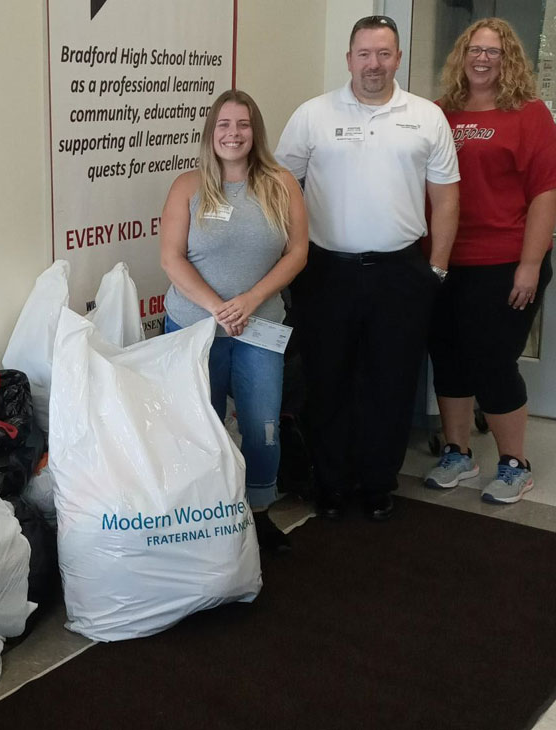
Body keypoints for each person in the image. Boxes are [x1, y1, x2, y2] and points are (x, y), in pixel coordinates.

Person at [274, 15, 460, 521]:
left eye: (383, 53)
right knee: (326, 380)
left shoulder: (426, 117)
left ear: (398, 58)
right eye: (364, 54)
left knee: (391, 382)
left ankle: (379, 484)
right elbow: (282, 191)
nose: (373, 64)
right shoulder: (312, 115)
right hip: (325, 271)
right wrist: (291, 259)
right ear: (349, 58)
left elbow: (445, 199)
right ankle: (331, 484)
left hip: (401, 273)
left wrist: (436, 270)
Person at [423, 18, 556, 503]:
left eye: (494, 51)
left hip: (507, 259)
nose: (483, 58)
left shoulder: (528, 114)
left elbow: (550, 189)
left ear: (509, 60)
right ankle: (458, 453)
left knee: (492, 360)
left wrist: (529, 265)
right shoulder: (439, 113)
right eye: (475, 49)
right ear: (461, 56)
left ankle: (515, 463)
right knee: (448, 357)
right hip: (445, 258)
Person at [160, 89, 309, 551]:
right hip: (194, 327)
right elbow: (171, 258)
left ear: (255, 132)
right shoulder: (187, 186)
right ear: (211, 132)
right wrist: (216, 307)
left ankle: (259, 512)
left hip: (260, 327)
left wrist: (249, 300)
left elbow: (298, 252)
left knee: (262, 426)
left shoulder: (281, 183)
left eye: (242, 125)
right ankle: (204, 520)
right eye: (224, 125)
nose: (233, 134)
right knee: (197, 428)